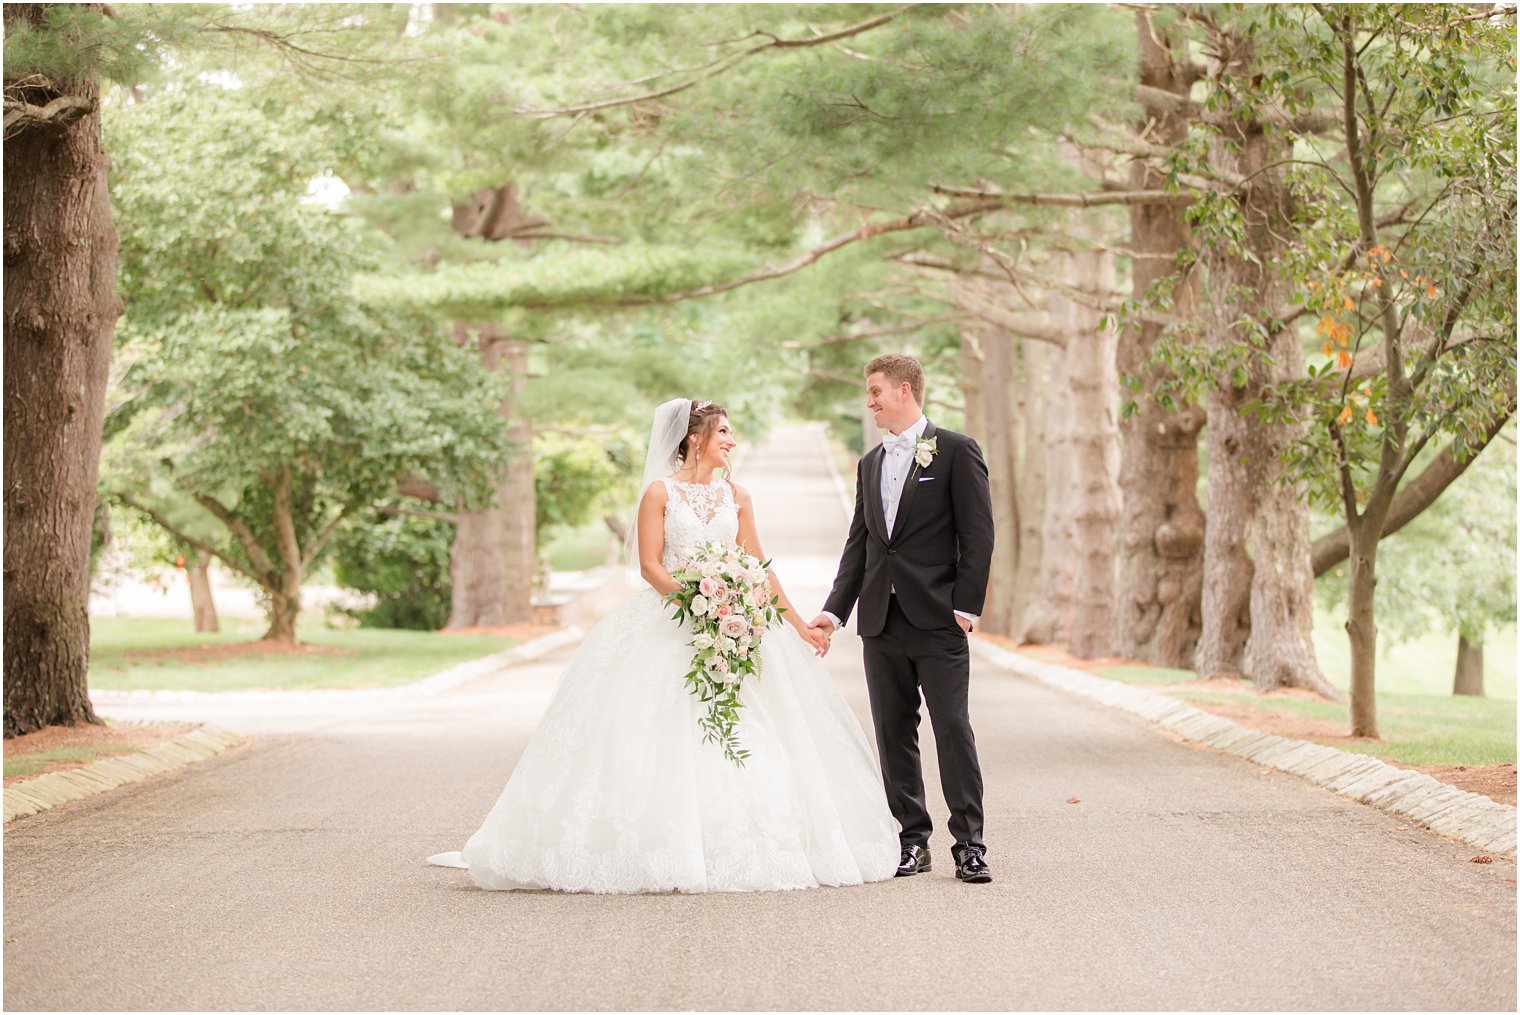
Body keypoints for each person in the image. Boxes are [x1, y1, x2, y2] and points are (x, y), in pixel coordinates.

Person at [427, 398, 899, 893]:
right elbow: (650, 566)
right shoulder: (659, 494)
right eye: (724, 433)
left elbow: (758, 565)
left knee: (748, 725)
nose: (732, 442)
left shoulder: (737, 495)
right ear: (695, 438)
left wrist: (799, 624)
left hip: (734, 620)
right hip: (673, 617)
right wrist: (698, 600)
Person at [811, 354, 996, 884]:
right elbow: (860, 545)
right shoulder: (870, 463)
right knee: (893, 734)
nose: (868, 401)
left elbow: (978, 535)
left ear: (905, 390)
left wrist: (964, 607)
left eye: (875, 391)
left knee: (952, 729)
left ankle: (970, 844)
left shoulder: (957, 450)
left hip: (939, 620)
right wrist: (833, 612)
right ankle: (912, 839)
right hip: (881, 624)